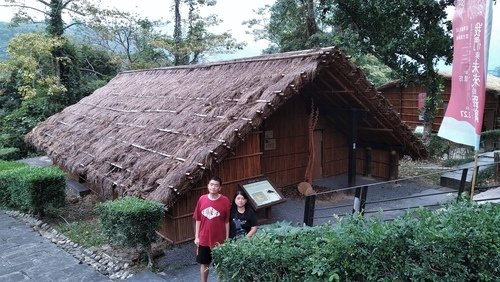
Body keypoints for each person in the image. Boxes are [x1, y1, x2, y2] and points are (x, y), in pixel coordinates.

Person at [193, 176, 230, 282]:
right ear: (208, 186)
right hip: (204, 239)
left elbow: (226, 221)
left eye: (216, 185)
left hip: (220, 240)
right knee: (204, 264)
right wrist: (197, 237)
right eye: (211, 184)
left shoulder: (225, 200)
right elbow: (198, 219)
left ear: (220, 188)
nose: (213, 187)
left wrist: (227, 239)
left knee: (219, 265)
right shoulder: (202, 199)